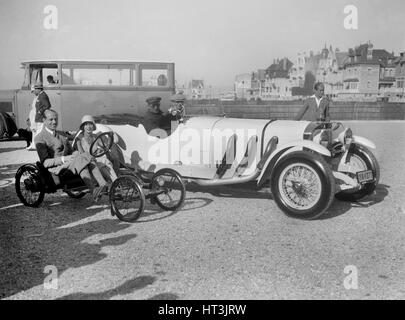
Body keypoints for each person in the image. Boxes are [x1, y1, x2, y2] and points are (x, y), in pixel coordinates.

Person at [35, 109, 108, 202]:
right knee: (83, 158)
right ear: (43, 120)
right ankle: (98, 187)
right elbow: (45, 163)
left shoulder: (61, 134)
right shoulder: (40, 138)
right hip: (57, 169)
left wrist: (75, 154)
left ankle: (101, 186)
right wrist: (64, 158)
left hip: (71, 164)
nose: (54, 122)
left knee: (83, 156)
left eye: (56, 119)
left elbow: (71, 151)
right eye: (51, 119)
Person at [75, 115, 118, 183]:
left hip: (97, 160)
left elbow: (106, 147)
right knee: (103, 163)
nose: (88, 127)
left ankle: (115, 182)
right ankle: (115, 182)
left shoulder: (95, 137)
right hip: (87, 162)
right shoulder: (79, 139)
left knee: (106, 162)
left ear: (93, 126)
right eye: (86, 124)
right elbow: (82, 154)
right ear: (83, 126)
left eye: (90, 124)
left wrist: (110, 137)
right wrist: (94, 156)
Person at [27, 82, 51, 150]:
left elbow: (47, 105)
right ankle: (35, 144)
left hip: (40, 117)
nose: (35, 91)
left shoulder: (43, 95)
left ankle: (38, 145)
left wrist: (40, 111)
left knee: (39, 131)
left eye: (35, 89)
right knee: (36, 131)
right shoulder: (40, 95)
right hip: (38, 117)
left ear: (39, 89)